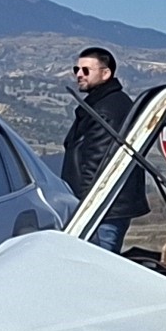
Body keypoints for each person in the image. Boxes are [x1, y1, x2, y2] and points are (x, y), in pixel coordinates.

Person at [60, 46, 139, 253]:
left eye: (86, 70)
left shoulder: (105, 109)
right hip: (107, 206)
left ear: (106, 73)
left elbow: (97, 163)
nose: (78, 75)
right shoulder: (102, 104)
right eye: (76, 69)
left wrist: (85, 208)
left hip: (102, 209)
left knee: (94, 264)